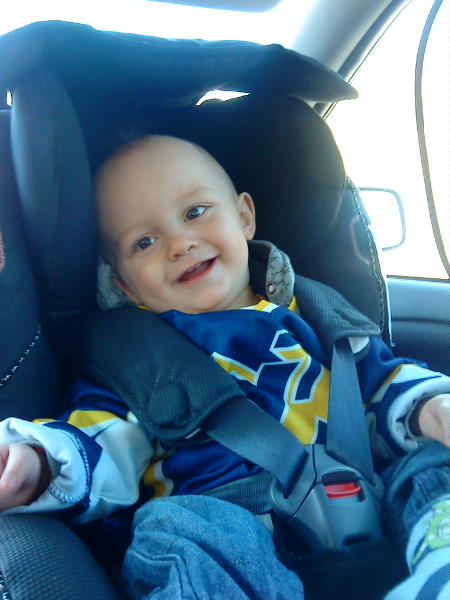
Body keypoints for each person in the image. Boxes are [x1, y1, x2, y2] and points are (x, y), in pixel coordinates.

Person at [0, 135, 448, 600]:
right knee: (179, 526)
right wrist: (39, 462)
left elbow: (382, 383)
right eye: (145, 242)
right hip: (233, 530)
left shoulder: (321, 313)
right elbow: (99, 441)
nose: (180, 243)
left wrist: (434, 408)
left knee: (433, 464)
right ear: (124, 285)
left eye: (195, 212)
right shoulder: (133, 356)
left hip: (368, 500)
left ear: (244, 217)